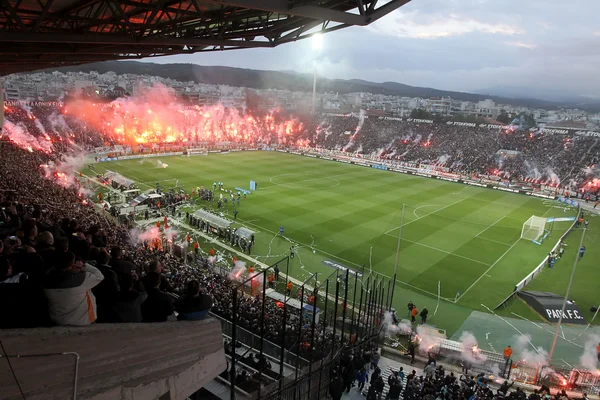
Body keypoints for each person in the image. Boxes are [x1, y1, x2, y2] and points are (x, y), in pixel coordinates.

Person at [43, 252, 104, 326]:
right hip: (82, 321)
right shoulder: (82, 279)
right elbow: (99, 276)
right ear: (71, 265)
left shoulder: (46, 280)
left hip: (58, 321)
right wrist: (83, 266)